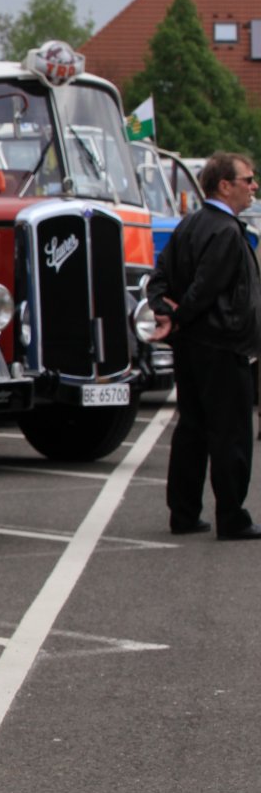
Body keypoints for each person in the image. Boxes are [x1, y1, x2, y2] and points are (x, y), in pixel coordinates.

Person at [147, 151, 261, 539]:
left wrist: (165, 312)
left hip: (191, 346)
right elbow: (206, 287)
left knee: (192, 429)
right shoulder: (226, 231)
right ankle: (232, 517)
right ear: (225, 185)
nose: (254, 186)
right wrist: (178, 315)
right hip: (222, 344)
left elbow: (158, 279)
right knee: (231, 434)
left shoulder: (189, 224)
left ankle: (183, 514)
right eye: (248, 180)